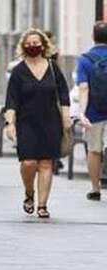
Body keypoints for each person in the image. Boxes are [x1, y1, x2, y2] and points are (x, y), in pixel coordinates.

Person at [4, 29, 71, 218]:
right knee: (28, 162)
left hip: (50, 121)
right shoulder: (18, 71)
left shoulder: (52, 67)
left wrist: (66, 117)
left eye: (36, 43)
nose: (33, 47)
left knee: (46, 163)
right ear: (24, 46)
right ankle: (29, 192)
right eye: (29, 44)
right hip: (26, 123)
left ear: (43, 45)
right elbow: (11, 100)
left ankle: (42, 205)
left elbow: (64, 94)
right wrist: (10, 123)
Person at [77, 21, 107, 201]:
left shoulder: (85, 60)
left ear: (92, 37)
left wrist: (82, 112)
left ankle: (95, 189)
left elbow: (83, 88)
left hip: (93, 113)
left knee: (94, 150)